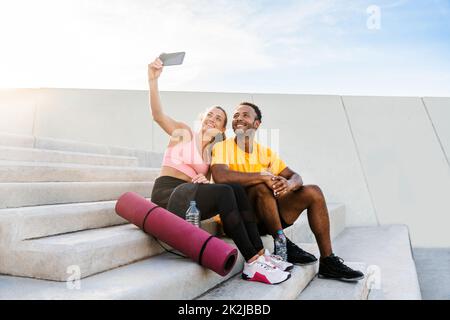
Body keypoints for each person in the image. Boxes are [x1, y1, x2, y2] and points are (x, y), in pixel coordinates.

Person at [147, 58, 292, 285]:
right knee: (225, 191)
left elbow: (216, 187)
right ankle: (253, 261)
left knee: (232, 189)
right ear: (202, 119)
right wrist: (152, 80)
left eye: (219, 119)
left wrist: (204, 181)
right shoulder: (183, 133)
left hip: (189, 201)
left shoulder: (212, 154)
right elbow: (157, 115)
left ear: (222, 128)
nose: (212, 120)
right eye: (210, 115)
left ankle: (261, 255)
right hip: (167, 195)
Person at [210, 102, 365, 282]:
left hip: (268, 214)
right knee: (260, 186)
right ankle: (282, 242)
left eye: (245, 115)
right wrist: (262, 176)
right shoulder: (222, 147)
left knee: (313, 192)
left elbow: (295, 176)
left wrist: (289, 184)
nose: (238, 119)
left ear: (256, 124)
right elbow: (220, 175)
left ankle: (328, 261)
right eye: (236, 116)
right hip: (241, 220)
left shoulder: (265, 152)